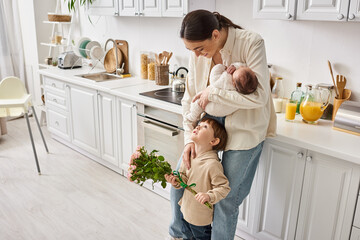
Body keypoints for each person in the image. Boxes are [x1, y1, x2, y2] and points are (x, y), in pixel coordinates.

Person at [169, 10, 277, 240]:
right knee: (179, 183)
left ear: (216, 34)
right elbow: (190, 96)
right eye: (191, 50)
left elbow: (260, 97)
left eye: (199, 49)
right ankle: (179, 236)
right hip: (207, 124)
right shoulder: (198, 52)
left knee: (226, 200)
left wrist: (213, 91)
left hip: (244, 128)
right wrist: (190, 139)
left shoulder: (251, 42)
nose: (197, 55)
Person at [165, 117, 231, 240]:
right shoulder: (189, 156)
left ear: (214, 141)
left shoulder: (212, 164)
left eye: (205, 127)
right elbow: (183, 179)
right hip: (185, 213)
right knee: (186, 237)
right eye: (199, 124)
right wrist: (175, 181)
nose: (198, 126)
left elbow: (223, 188)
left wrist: (209, 196)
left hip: (201, 221)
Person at [184, 62, 258, 122]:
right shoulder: (242, 89)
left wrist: (220, 67)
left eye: (236, 70)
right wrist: (235, 66)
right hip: (222, 112)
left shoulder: (227, 80)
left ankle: (192, 116)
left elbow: (213, 78)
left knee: (198, 102)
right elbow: (243, 66)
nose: (240, 67)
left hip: (211, 107)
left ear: (234, 82)